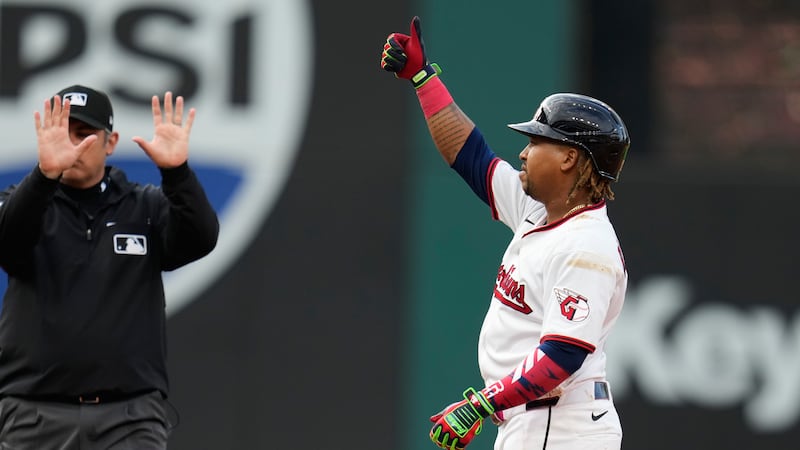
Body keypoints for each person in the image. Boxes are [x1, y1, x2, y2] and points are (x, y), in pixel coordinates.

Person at [381, 17, 631, 450]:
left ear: (570, 157)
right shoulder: (540, 210)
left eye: (537, 142)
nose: (524, 151)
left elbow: (563, 356)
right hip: (533, 423)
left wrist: (479, 404)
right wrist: (423, 79)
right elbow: (471, 157)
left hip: (562, 426)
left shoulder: (587, 247)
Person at [0, 85, 219, 449]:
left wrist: (177, 173)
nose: (74, 144)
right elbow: (7, 244)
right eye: (64, 132)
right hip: (35, 416)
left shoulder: (144, 208)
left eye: (85, 134)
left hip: (129, 418)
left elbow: (201, 238)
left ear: (110, 142)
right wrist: (43, 175)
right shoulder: (21, 204)